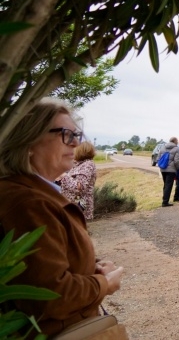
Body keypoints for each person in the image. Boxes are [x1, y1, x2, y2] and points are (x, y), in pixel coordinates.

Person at [0, 98, 124, 337]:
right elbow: (50, 295)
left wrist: (94, 267)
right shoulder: (29, 203)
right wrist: (104, 284)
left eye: (77, 134)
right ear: (28, 141)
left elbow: (42, 265)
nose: (76, 142)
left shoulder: (32, 192)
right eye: (66, 134)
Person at [58, 140, 98, 220]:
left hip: (79, 207)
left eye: (74, 148)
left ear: (80, 151)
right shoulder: (78, 165)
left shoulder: (87, 165)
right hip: (72, 206)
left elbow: (79, 187)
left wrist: (63, 175)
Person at [159, 137, 179, 207]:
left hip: (163, 169)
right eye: (177, 141)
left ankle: (164, 199)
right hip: (171, 170)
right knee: (169, 186)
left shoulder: (163, 147)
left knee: (165, 185)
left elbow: (159, 158)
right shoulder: (176, 149)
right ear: (175, 141)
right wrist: (177, 168)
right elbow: (176, 161)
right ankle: (165, 202)